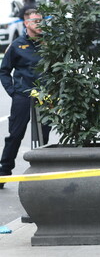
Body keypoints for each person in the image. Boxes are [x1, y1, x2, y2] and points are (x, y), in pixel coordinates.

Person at [0, 10, 51, 187]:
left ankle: (40, 172)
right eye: (35, 21)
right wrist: (13, 92)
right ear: (26, 23)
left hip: (45, 95)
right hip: (22, 95)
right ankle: (4, 172)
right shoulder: (17, 45)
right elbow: (4, 71)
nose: (40, 24)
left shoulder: (50, 44)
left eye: (41, 20)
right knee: (15, 135)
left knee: (44, 135)